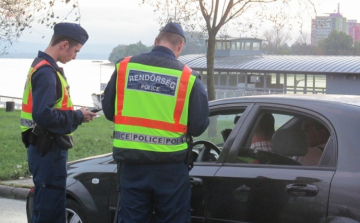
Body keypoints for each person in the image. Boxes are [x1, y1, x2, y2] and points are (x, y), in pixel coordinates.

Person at [102, 22, 210, 223]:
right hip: (170, 169)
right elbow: (198, 125)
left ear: (155, 41)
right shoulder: (188, 77)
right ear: (180, 46)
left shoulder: (124, 68)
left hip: (132, 165)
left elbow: (109, 111)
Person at [20, 22, 96, 223]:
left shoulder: (41, 66)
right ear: (63, 45)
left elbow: (49, 110)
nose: (75, 56)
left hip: (42, 148)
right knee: (50, 212)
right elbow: (43, 115)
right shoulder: (46, 72)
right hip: (48, 150)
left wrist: (77, 114)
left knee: (43, 207)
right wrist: (78, 116)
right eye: (75, 51)